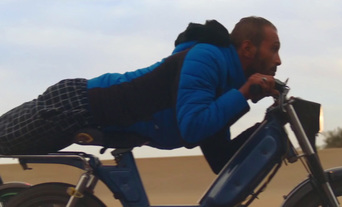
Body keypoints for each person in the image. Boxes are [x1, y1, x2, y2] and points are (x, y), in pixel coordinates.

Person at [0, 16, 281, 174]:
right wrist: (243, 94)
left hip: (93, 115)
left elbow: (222, 160)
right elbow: (192, 128)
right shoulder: (207, 57)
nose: (278, 60)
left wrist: (271, 126)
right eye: (274, 49)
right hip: (75, 104)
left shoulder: (223, 88)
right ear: (247, 48)